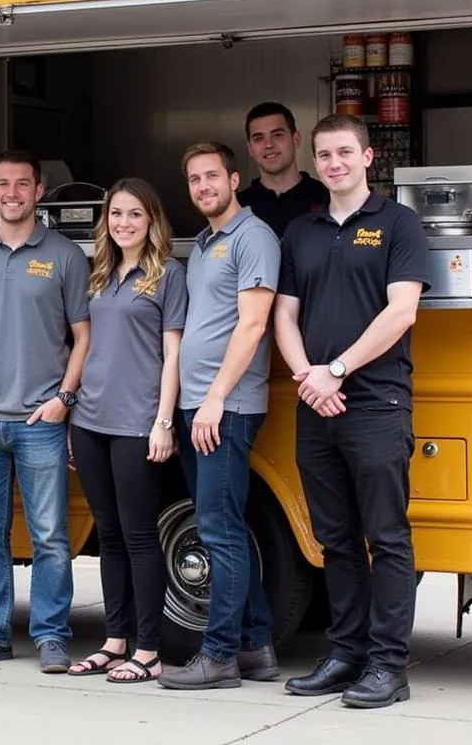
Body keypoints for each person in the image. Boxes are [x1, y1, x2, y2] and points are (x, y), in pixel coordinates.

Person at [274, 112, 429, 709]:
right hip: (316, 406)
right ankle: (346, 653)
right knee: (334, 538)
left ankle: (389, 665)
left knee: (386, 538)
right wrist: (308, 378)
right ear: (314, 162)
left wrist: (336, 370)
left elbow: (401, 312)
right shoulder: (302, 233)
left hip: (375, 402)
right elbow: (284, 317)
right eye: (325, 154)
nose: (334, 163)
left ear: (368, 158)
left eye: (345, 152)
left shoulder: (399, 223)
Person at [0, 149, 91, 673]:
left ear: (39, 191)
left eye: (22, 184)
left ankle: (52, 635)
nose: (12, 193)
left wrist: (64, 399)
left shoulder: (66, 256)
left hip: (39, 422)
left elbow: (83, 336)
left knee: (50, 535)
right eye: (2, 184)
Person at [158, 142, 281, 692]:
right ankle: (256, 648)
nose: (203, 186)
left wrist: (214, 398)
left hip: (223, 409)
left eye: (213, 176)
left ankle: (219, 657)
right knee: (225, 527)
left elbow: (253, 326)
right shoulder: (207, 242)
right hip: (197, 408)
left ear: (235, 179)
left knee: (219, 531)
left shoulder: (253, 237)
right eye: (194, 179)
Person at [67, 178, 186, 684]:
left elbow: (173, 354)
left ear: (152, 219)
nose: (123, 223)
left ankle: (151, 649)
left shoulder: (168, 275)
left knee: (140, 535)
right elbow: (86, 344)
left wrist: (164, 421)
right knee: (108, 534)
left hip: (138, 422)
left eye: (135, 214)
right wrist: (72, 415)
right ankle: (116, 641)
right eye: (116, 214)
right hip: (91, 420)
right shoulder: (99, 274)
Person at [237, 102, 328, 236]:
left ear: (296, 139)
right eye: (258, 138)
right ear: (250, 148)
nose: (268, 145)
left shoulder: (326, 198)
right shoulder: (238, 207)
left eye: (277, 135)